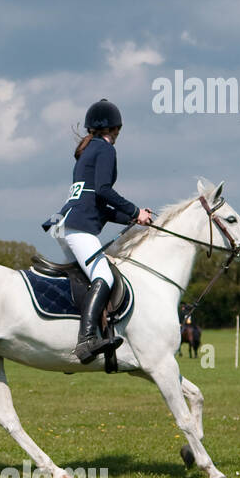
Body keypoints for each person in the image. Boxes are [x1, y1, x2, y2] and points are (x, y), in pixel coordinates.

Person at [42, 99, 153, 363]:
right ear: (115, 128)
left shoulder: (86, 150)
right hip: (78, 227)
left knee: (85, 279)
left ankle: (66, 337)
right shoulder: (104, 149)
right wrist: (136, 210)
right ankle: (86, 340)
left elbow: (98, 203)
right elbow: (104, 190)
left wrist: (132, 217)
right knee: (104, 275)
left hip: (66, 223)